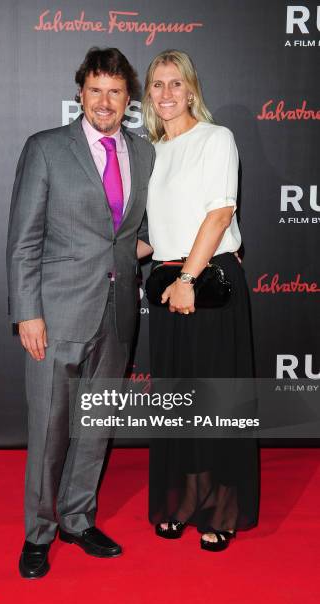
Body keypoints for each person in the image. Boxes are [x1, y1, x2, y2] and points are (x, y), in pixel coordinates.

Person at [6, 47, 155, 578]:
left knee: (95, 426)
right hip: (58, 313)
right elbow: (24, 240)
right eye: (96, 90)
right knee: (49, 430)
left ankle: (77, 518)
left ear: (127, 99)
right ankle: (39, 532)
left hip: (117, 314)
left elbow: (132, 237)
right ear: (80, 94)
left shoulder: (143, 154)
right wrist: (28, 312)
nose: (106, 102)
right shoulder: (46, 149)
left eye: (116, 92)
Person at [142, 50, 259, 551]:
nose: (166, 94)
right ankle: (184, 498)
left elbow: (219, 213)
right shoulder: (151, 151)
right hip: (170, 283)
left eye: (176, 84)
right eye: (157, 84)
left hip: (207, 281)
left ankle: (222, 507)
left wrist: (189, 277)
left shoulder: (217, 138)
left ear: (192, 90)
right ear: (147, 94)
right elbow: (152, 236)